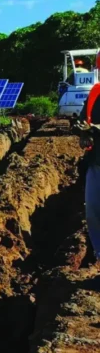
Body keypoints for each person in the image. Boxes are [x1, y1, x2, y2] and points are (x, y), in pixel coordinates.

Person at [76, 82, 100, 263]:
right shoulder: (95, 93)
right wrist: (85, 135)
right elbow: (85, 121)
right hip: (96, 164)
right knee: (93, 214)